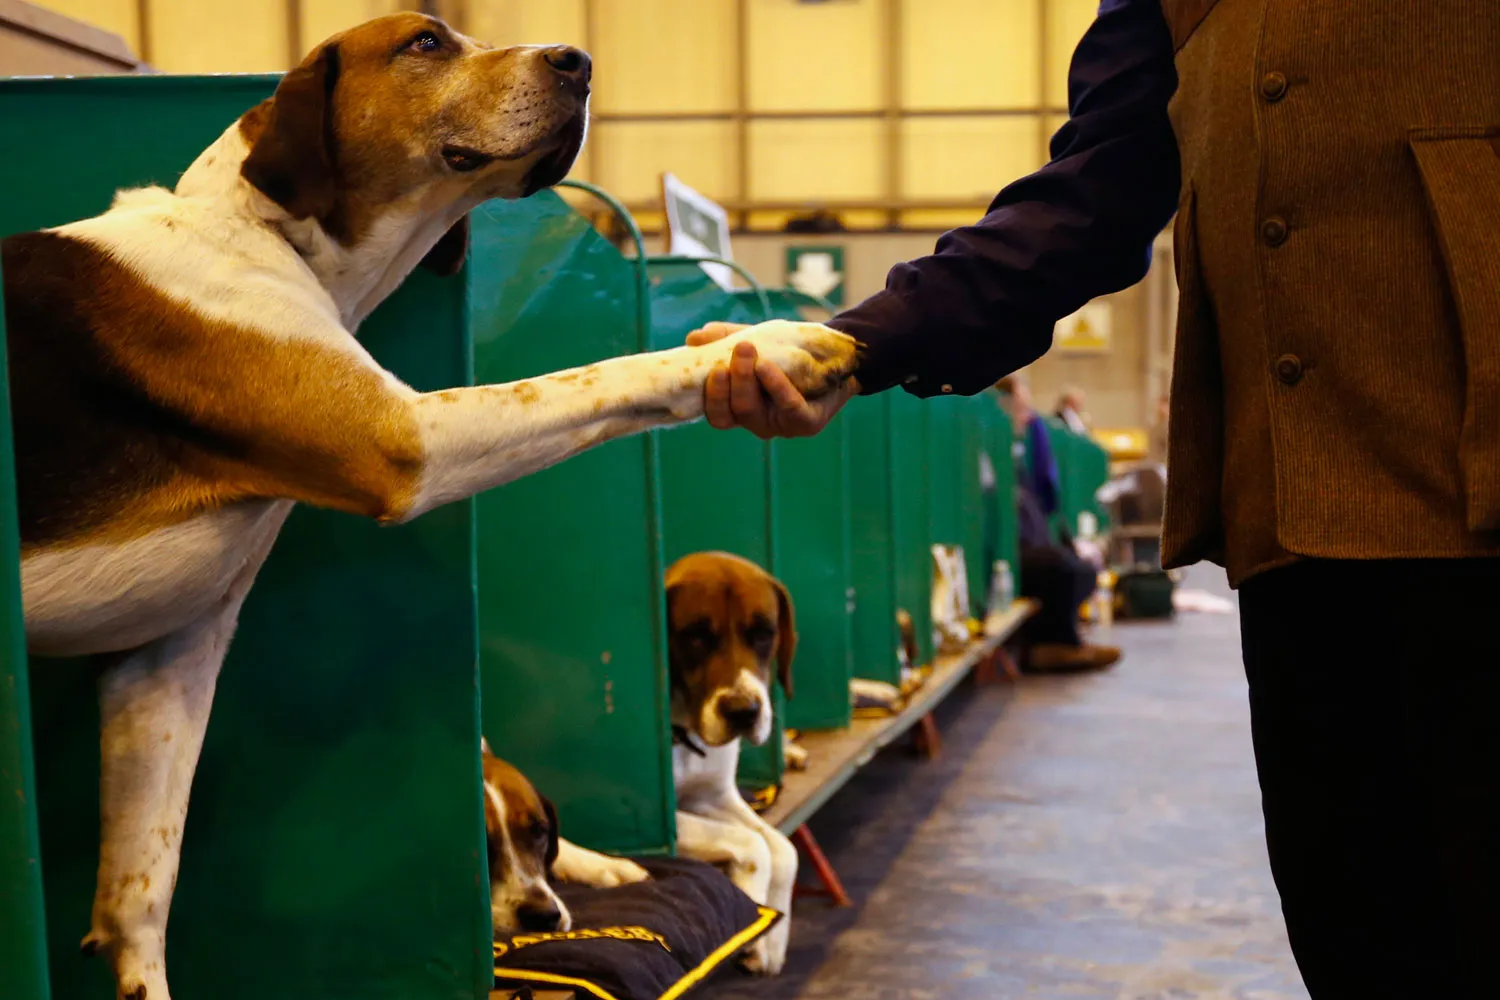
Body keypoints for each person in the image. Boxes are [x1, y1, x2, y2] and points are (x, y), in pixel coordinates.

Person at [686, 3, 1500, 996]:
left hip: (1479, 500)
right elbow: (1091, 192)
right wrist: (855, 345)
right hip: (1293, 527)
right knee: (1365, 938)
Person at [996, 377, 1121, 673]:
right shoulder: (997, 452)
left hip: (1025, 547)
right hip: (1006, 556)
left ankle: (1065, 643)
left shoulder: (1015, 454)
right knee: (1059, 567)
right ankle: (1053, 646)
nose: (1027, 419)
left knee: (1077, 563)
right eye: (1021, 410)